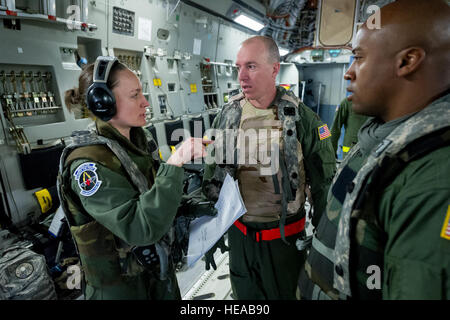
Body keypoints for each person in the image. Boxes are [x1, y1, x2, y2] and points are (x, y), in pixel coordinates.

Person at [299, 0, 450, 300]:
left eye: (359, 57)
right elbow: (333, 131)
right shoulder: (380, 136)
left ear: (407, 61)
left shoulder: (433, 175)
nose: (348, 72)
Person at [58, 56, 207, 300]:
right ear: (102, 103)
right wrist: (176, 162)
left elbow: (153, 193)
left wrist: (191, 207)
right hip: (122, 290)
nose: (146, 102)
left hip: (156, 275)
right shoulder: (87, 165)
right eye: (135, 95)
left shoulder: (137, 141)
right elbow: (140, 227)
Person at [202, 36, 336, 300]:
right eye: (238, 67)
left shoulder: (304, 120)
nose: (242, 76)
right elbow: (212, 176)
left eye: (251, 66)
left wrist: (325, 246)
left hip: (284, 243)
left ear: (275, 69)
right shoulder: (226, 116)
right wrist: (208, 231)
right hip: (240, 240)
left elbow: (323, 186)